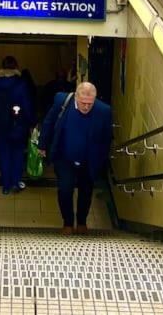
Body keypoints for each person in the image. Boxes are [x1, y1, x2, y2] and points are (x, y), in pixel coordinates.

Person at [38, 82, 113, 235]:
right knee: (65, 190)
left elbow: (106, 138)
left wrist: (101, 160)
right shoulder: (62, 101)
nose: (86, 107)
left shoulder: (104, 111)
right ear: (76, 97)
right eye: (83, 103)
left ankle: (81, 222)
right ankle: (67, 222)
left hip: (88, 160)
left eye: (90, 104)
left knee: (86, 191)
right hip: (64, 158)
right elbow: (49, 122)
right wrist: (43, 145)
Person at [0, 56, 34, 195]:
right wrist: (32, 122)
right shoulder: (21, 84)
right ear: (16, 67)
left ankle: (5, 186)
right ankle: (15, 181)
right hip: (18, 125)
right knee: (18, 153)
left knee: (4, 155)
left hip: (0, 126)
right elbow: (27, 105)